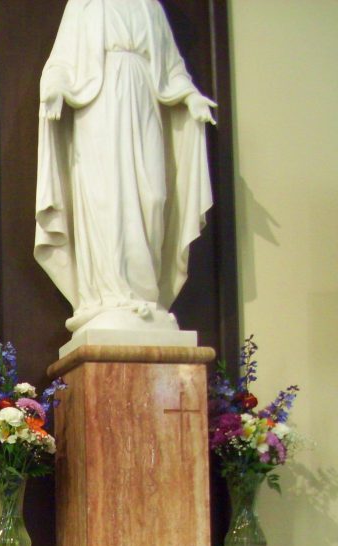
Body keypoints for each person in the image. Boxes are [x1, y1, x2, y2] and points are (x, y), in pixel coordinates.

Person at [34, 0, 216, 334]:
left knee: (154, 197)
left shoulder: (150, 8)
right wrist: (56, 88)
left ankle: (146, 297)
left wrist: (190, 97)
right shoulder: (84, 5)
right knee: (106, 199)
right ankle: (107, 298)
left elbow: (172, 67)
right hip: (98, 108)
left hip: (144, 103)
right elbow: (61, 62)